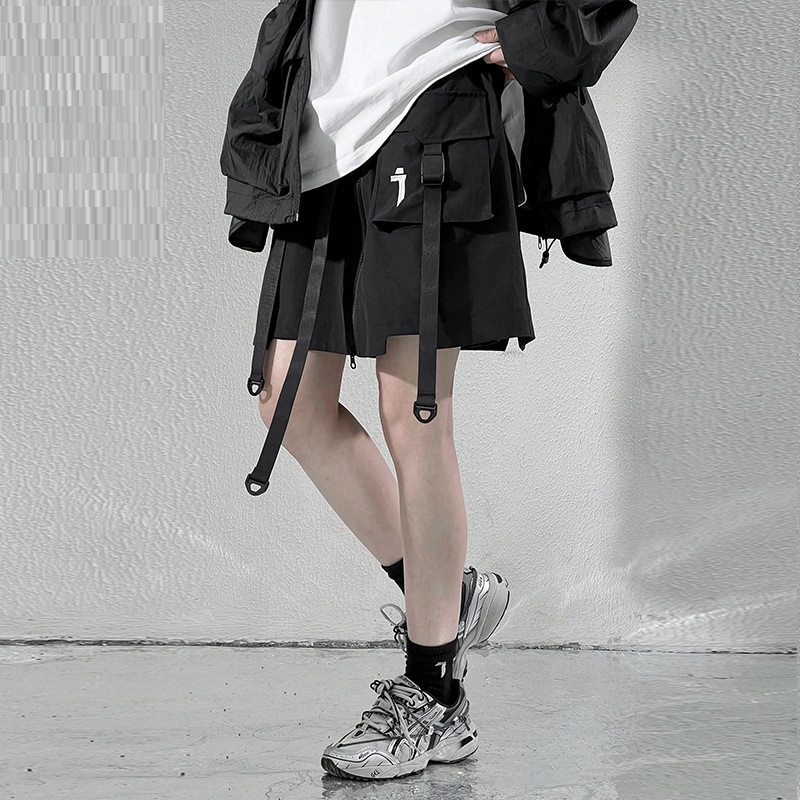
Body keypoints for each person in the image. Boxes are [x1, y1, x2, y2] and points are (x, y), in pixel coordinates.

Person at [256, 0, 533, 781]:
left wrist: (541, 39)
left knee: (413, 409)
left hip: (434, 115)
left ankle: (435, 692)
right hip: (326, 128)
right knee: (286, 401)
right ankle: (444, 593)